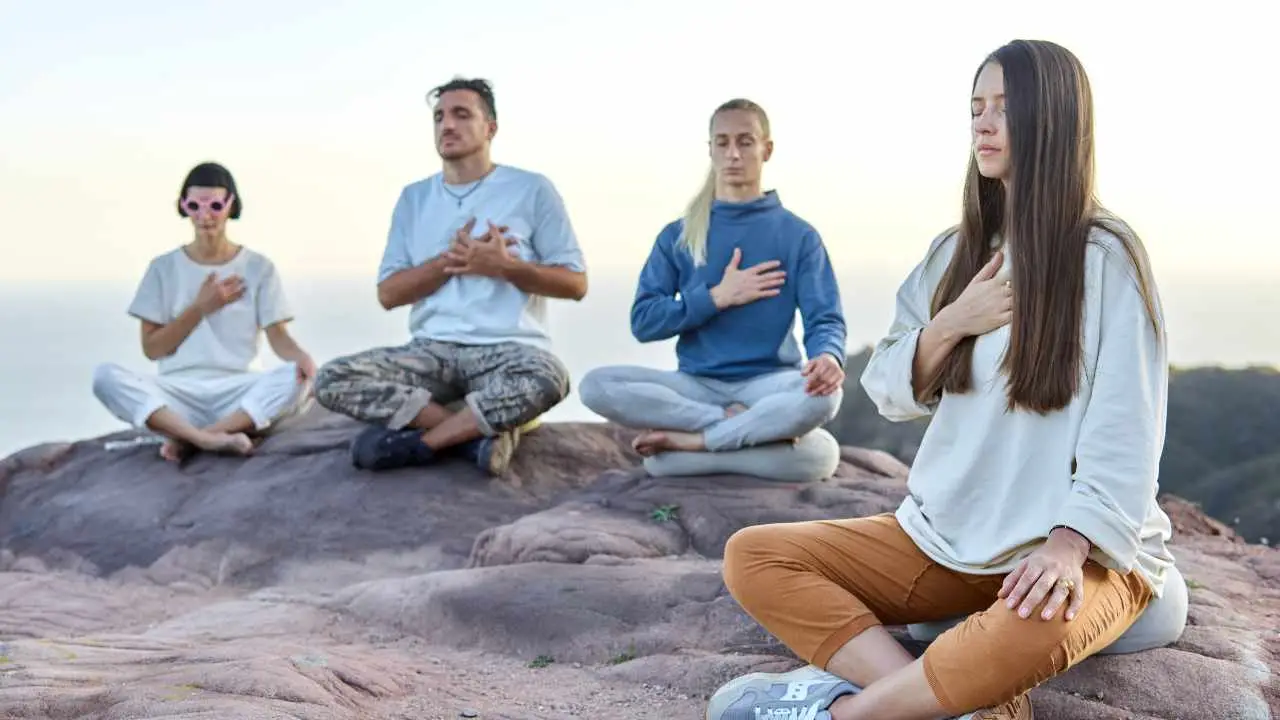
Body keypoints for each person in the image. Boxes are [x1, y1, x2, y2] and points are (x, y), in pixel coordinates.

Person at [706, 40, 1188, 720]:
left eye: (1004, 108)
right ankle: (936, 699)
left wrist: (1066, 547)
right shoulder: (953, 254)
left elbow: (1127, 429)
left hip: (1081, 549)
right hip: (948, 537)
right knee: (755, 557)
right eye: (975, 109)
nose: (982, 126)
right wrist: (950, 324)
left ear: (1054, 119)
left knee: (1030, 621)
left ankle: (845, 713)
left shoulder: (1105, 255)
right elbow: (889, 391)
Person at [313, 77, 586, 476]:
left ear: (490, 128)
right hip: (431, 352)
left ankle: (423, 443)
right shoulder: (414, 198)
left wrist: (504, 267)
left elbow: (575, 284)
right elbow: (388, 294)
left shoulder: (531, 190)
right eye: (439, 117)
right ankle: (472, 438)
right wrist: (449, 261)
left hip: (507, 350)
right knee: (331, 379)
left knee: (549, 377)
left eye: (462, 114)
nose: (447, 125)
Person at [577, 98, 846, 483]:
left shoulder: (798, 236)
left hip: (769, 384)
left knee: (826, 398)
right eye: (722, 143)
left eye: (745, 141)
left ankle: (692, 446)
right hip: (695, 388)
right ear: (710, 150)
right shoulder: (678, 236)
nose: (733, 154)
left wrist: (828, 358)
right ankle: (731, 431)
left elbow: (825, 319)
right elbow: (644, 322)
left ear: (766, 149)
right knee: (596, 386)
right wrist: (717, 297)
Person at [92, 162, 315, 464]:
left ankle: (196, 437)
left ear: (230, 205)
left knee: (296, 378)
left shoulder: (259, 268)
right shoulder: (163, 268)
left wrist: (302, 359)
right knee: (105, 377)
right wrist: (200, 307)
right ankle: (205, 439)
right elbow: (153, 348)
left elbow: (278, 337)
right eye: (194, 205)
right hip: (179, 393)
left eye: (214, 205)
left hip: (238, 390)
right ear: (183, 206)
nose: (204, 215)